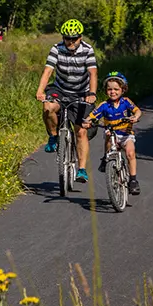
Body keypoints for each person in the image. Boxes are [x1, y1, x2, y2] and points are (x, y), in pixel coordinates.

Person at [35, 19, 98, 183]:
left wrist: (92, 93)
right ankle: (54, 137)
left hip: (81, 92)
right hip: (60, 89)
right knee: (48, 107)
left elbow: (92, 74)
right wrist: (40, 91)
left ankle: (82, 169)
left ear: (80, 37)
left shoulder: (88, 50)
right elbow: (48, 71)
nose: (70, 42)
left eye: (74, 39)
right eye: (67, 38)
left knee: (81, 131)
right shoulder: (56, 49)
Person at [91, 71, 142, 196]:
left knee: (130, 152)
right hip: (112, 133)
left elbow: (137, 111)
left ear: (123, 90)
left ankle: (133, 180)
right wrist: (87, 121)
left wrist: (135, 117)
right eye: (109, 89)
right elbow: (92, 116)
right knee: (108, 136)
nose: (112, 92)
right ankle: (106, 158)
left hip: (126, 134)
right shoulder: (104, 105)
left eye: (116, 89)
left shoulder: (126, 102)